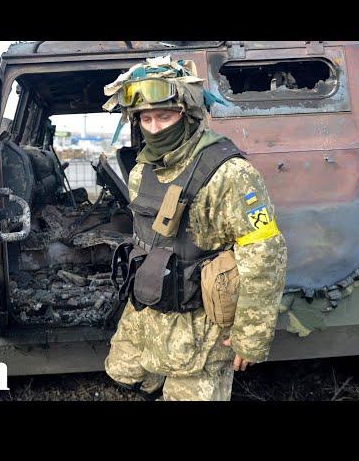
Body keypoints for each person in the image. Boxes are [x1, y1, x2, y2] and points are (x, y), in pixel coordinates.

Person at [102, 56, 288, 401]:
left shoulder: (229, 173)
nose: (155, 127)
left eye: (165, 116)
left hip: (200, 318)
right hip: (148, 306)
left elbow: (264, 255)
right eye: (146, 118)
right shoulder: (142, 170)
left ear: (187, 115)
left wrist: (250, 335)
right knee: (123, 373)